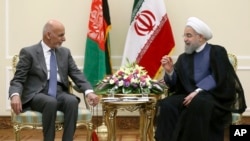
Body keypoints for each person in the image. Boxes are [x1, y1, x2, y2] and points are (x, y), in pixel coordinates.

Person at [154, 17, 246, 141]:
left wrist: (197, 92)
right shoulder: (184, 58)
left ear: (200, 37)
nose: (185, 39)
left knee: (198, 103)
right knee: (167, 104)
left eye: (189, 35)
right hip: (188, 95)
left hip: (214, 96)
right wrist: (170, 71)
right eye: (184, 36)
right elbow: (176, 85)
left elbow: (219, 76)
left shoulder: (217, 51)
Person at [9, 19, 99, 141]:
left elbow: (76, 74)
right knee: (50, 102)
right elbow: (18, 79)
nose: (64, 38)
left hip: (59, 91)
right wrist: (15, 95)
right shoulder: (29, 52)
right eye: (61, 35)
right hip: (37, 94)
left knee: (72, 101)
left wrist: (89, 92)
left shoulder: (65, 52)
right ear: (48, 35)